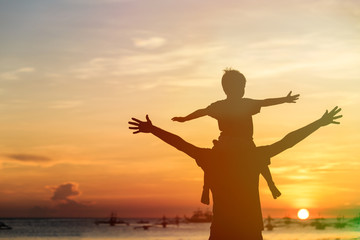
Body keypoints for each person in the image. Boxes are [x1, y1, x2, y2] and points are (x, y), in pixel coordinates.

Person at [129, 106, 342, 239]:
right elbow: (288, 141)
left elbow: (180, 144)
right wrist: (319, 123)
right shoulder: (253, 156)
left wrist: (153, 129)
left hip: (222, 229)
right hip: (249, 230)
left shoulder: (211, 157)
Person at [172, 69, 300, 203]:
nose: (243, 89)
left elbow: (201, 112)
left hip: (225, 143)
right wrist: (285, 100)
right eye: (241, 87)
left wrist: (185, 119)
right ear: (229, 88)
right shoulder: (245, 103)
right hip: (244, 143)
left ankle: (206, 189)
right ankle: (271, 184)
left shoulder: (219, 105)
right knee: (260, 159)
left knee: (210, 162)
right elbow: (265, 102)